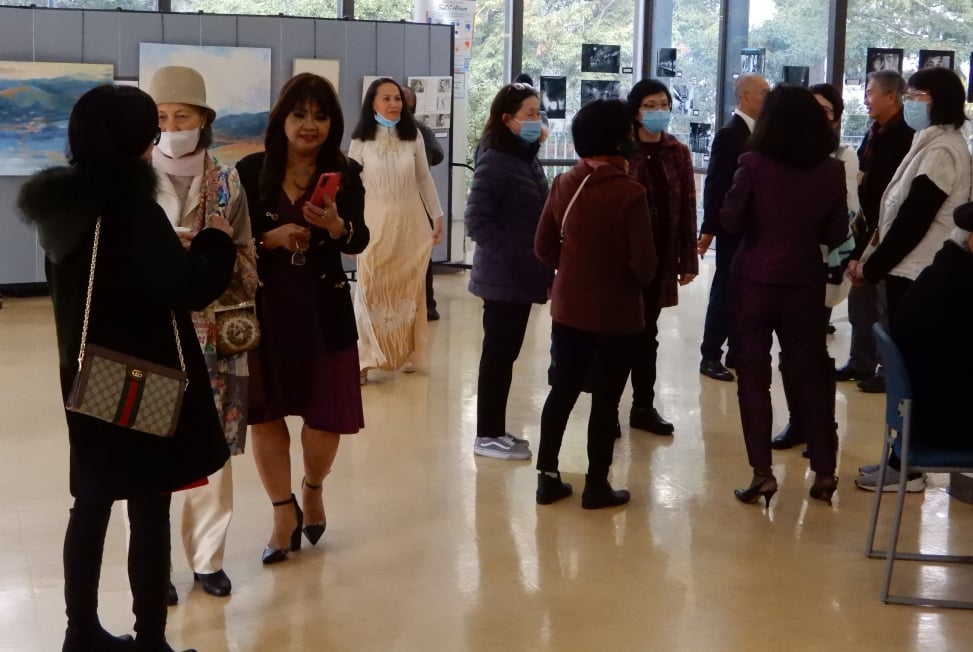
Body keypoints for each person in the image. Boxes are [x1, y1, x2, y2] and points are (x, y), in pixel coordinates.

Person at [18, 84, 235, 652]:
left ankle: (81, 632)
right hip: (142, 378)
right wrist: (215, 245)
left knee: (91, 503)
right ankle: (151, 641)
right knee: (149, 506)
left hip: (87, 376)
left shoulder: (64, 209)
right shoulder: (130, 208)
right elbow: (185, 287)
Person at [236, 73, 370, 564]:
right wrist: (267, 240)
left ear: (333, 123)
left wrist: (336, 225)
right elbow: (230, 243)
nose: (309, 125)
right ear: (282, 120)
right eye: (299, 114)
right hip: (265, 311)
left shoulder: (346, 173)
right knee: (265, 413)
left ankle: (312, 489)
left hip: (323, 311)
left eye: (320, 116)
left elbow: (359, 240)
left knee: (324, 416)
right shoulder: (252, 171)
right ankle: (281, 513)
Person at [147, 65, 256, 600]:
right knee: (149, 447)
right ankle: (151, 563)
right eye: (162, 117)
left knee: (212, 447)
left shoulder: (227, 179)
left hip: (213, 332)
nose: (172, 127)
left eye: (182, 116)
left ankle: (208, 560)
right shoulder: (133, 177)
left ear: (203, 119)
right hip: (149, 332)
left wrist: (213, 254)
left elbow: (247, 256)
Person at [720, 86, 848, 507]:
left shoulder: (752, 164)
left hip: (754, 280)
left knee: (753, 378)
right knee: (810, 373)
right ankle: (825, 469)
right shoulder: (831, 171)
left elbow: (731, 220)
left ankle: (762, 474)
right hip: (805, 283)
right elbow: (836, 233)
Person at [851, 67, 972, 491]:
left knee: (910, 373)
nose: (909, 103)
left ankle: (908, 465)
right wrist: (870, 258)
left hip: (920, 273)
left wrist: (872, 267)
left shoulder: (944, 151)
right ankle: (900, 459)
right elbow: (894, 211)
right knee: (904, 371)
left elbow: (913, 221)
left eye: (916, 96)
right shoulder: (929, 142)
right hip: (907, 270)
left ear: (937, 100)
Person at [533, 99, 656, 509]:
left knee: (562, 391)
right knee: (606, 400)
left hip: (568, 308)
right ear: (620, 141)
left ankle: (547, 478)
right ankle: (597, 485)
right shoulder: (631, 193)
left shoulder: (564, 183)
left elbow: (543, 246)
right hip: (616, 315)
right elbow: (644, 267)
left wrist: (574, 269)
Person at [855, 203, 973, 490]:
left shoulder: (946, 267)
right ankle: (902, 466)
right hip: (943, 425)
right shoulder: (962, 281)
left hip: (920, 414)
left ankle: (899, 460)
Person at [465, 83, 553, 461]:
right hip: (504, 277)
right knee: (497, 356)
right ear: (507, 119)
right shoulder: (497, 160)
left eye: (538, 112)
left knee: (506, 355)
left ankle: (495, 429)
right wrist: (514, 257)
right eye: (529, 114)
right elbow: (476, 221)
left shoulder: (523, 157)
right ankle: (486, 435)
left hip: (521, 275)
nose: (537, 120)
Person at [771, 82, 860, 453]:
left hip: (823, 265)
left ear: (836, 118)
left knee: (810, 350)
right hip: (787, 267)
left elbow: (848, 211)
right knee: (790, 351)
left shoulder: (843, 156)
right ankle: (799, 421)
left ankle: (822, 425)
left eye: (825, 111)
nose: (817, 117)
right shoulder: (784, 154)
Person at [350, 78, 443, 382]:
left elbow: (423, 179)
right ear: (372, 103)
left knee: (409, 287)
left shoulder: (413, 136)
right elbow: (351, 188)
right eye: (386, 98)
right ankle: (365, 358)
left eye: (397, 99)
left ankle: (408, 351)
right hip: (373, 224)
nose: (393, 104)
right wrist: (349, 230)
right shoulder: (360, 140)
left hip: (410, 224)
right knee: (368, 289)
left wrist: (437, 215)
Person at [624, 79, 698, 436]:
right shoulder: (623, 148)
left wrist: (688, 260)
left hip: (661, 257)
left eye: (664, 105)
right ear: (636, 111)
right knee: (618, 335)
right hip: (624, 259)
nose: (659, 111)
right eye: (650, 105)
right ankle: (606, 409)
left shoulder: (677, 151)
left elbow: (687, 208)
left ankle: (643, 406)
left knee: (647, 334)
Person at [835, 70, 914, 393]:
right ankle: (861, 360)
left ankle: (886, 367)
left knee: (883, 303)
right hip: (865, 227)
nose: (866, 100)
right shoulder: (874, 133)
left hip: (888, 229)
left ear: (891, 96)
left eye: (870, 93)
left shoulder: (906, 136)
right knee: (861, 297)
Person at [698, 73, 769, 382]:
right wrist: (710, 227)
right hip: (732, 229)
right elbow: (716, 183)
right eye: (763, 92)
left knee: (746, 292)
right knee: (725, 291)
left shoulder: (761, 133)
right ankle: (710, 354)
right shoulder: (730, 134)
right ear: (745, 96)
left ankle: (737, 351)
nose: (768, 97)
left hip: (755, 228)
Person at [401, 84, 445, 322]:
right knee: (422, 255)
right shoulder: (423, 131)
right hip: (418, 202)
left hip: (416, 201)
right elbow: (438, 155)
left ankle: (419, 304)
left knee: (417, 253)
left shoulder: (417, 132)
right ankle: (427, 304)